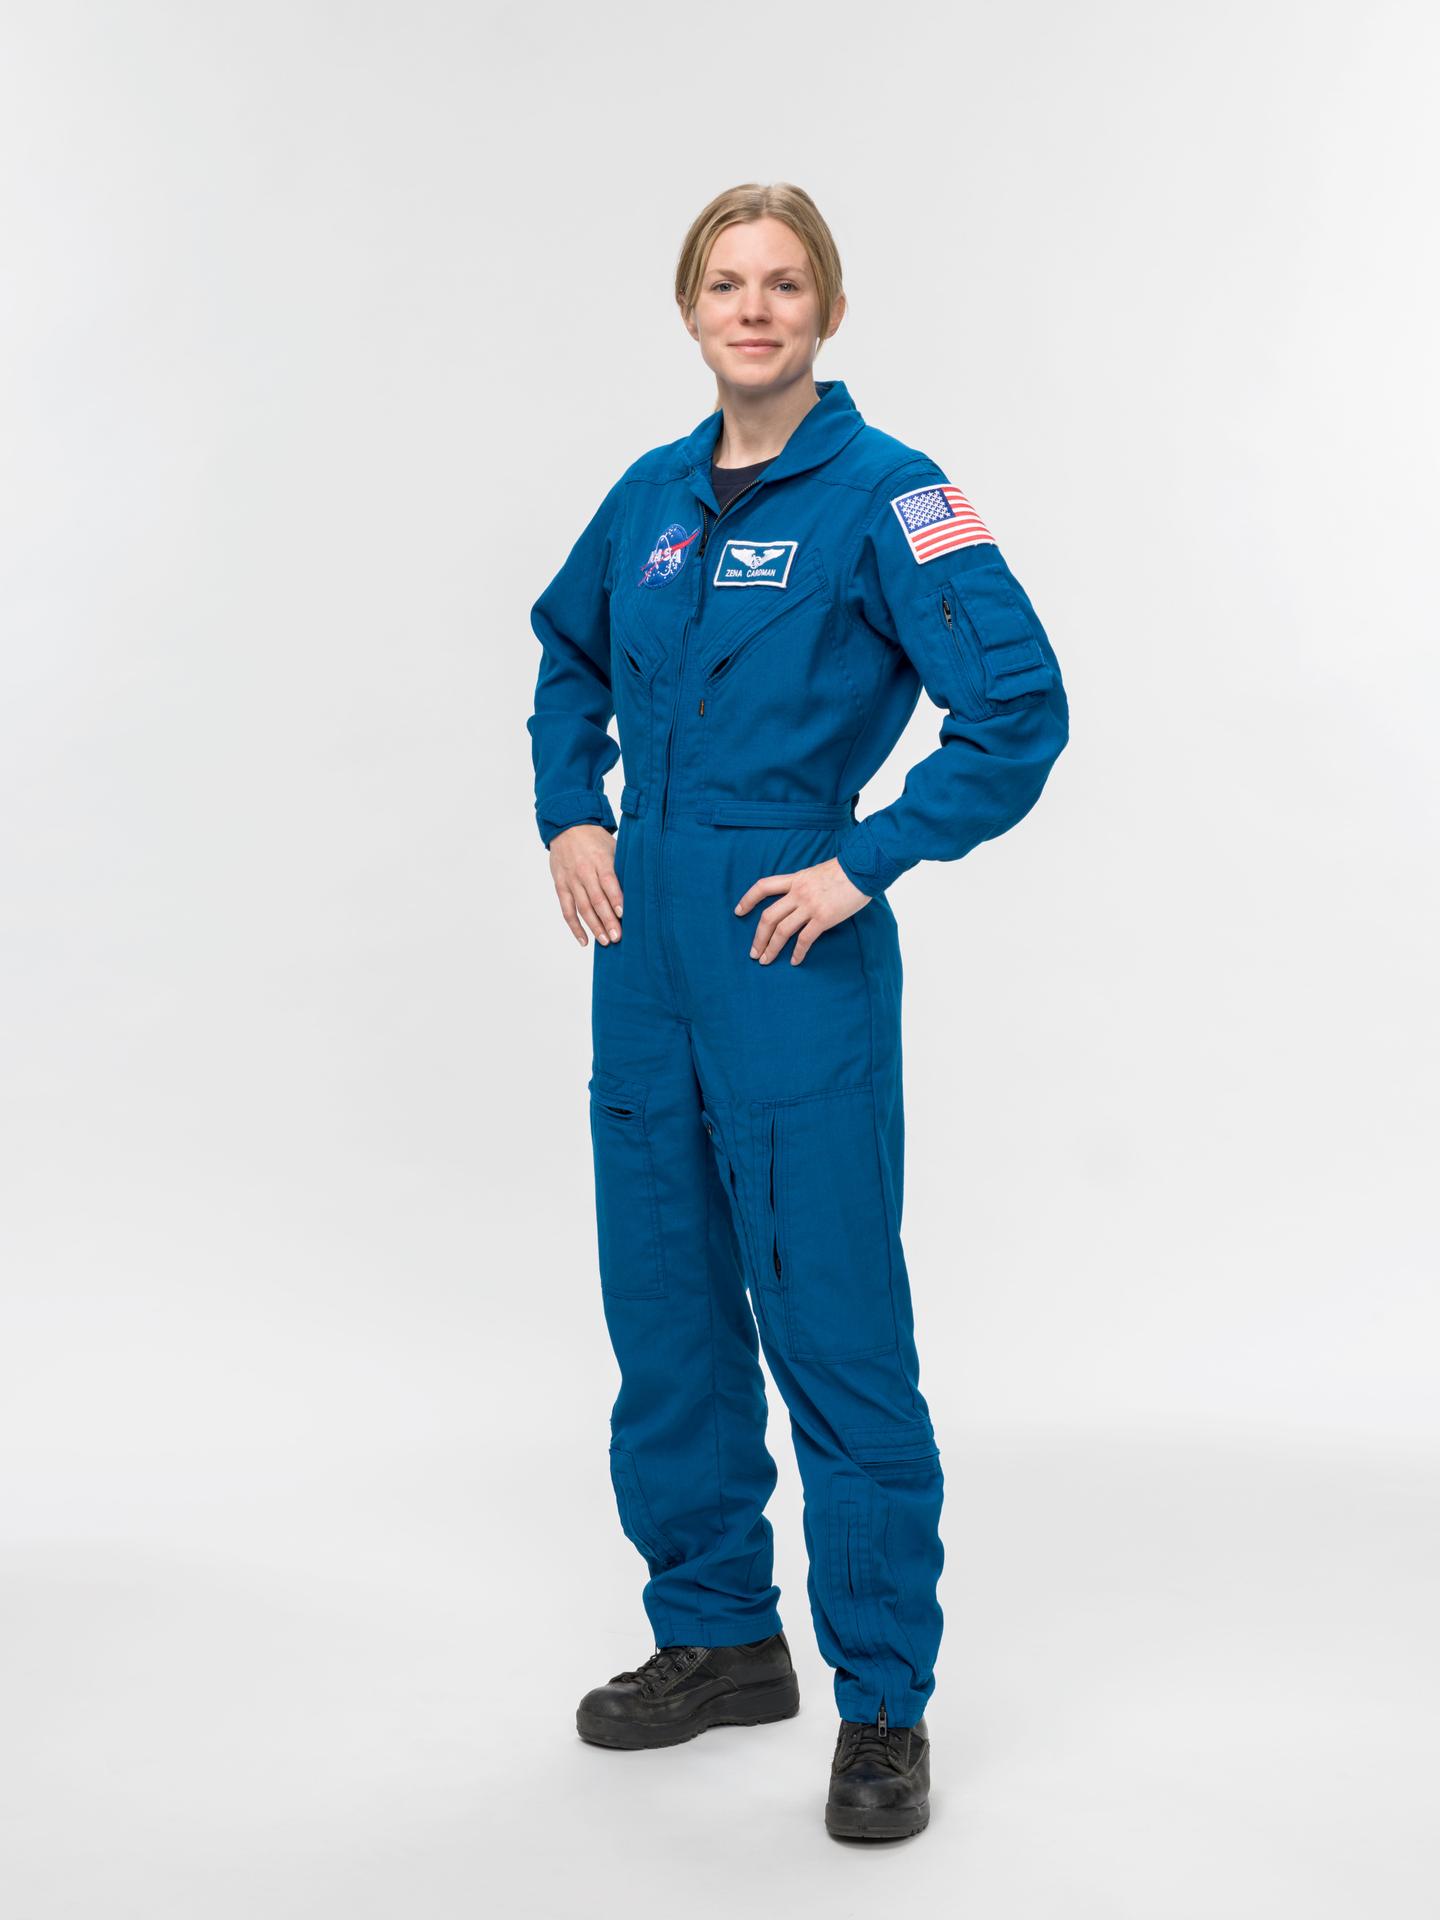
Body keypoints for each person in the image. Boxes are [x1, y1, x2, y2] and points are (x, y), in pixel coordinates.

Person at [526, 181, 1069, 1842]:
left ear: (827, 309)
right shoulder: (649, 498)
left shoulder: (892, 501)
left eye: (782, 285)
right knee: (670, 1318)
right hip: (647, 974)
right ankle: (716, 1633)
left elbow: (1018, 707)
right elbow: (568, 655)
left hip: (786, 959)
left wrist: (871, 859)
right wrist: (573, 809)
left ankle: (884, 1702)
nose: (751, 310)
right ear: (689, 310)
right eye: (723, 283)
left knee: (834, 1332)